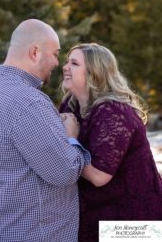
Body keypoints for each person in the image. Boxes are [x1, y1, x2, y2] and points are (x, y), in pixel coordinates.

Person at [0, 19, 91, 242]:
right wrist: (71, 137)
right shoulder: (26, 101)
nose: (57, 63)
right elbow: (65, 172)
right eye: (55, 54)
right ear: (35, 52)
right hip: (33, 233)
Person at [60, 43, 162, 242]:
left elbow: (99, 175)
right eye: (66, 62)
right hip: (97, 214)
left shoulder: (114, 112)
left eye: (74, 63)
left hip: (133, 221)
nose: (65, 67)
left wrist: (71, 139)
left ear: (94, 73)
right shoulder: (70, 105)